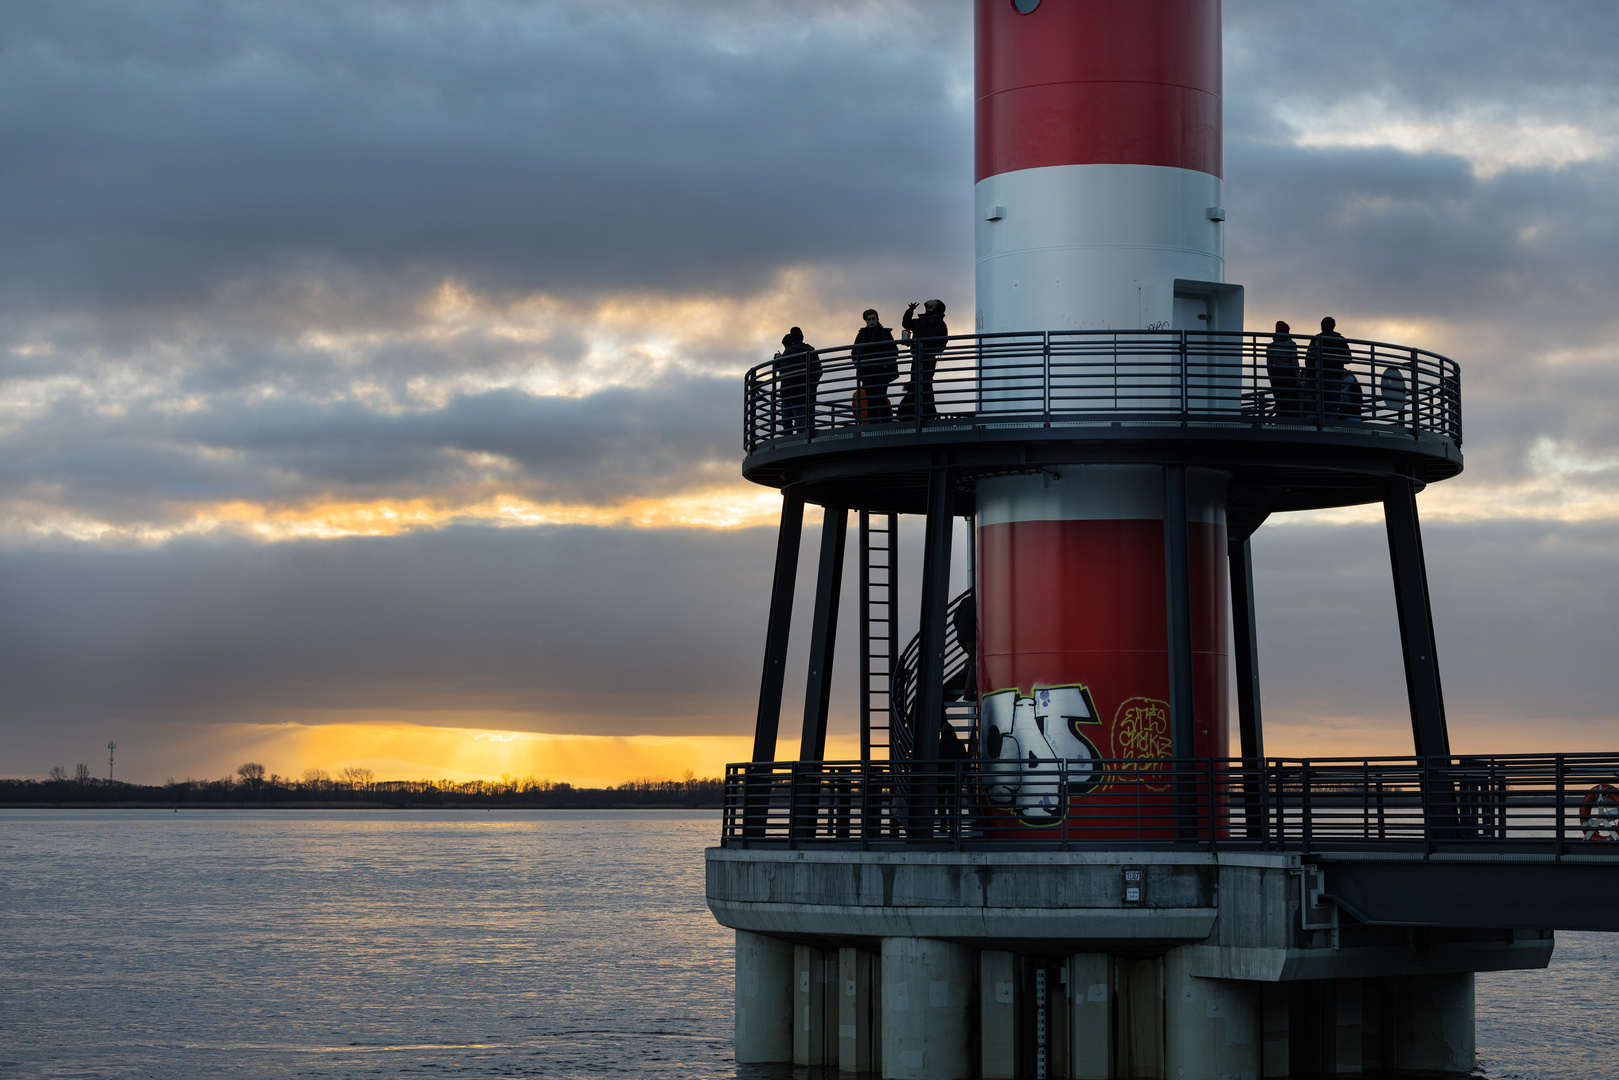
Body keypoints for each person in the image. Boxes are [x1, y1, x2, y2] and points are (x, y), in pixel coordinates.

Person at [898, 299, 948, 420]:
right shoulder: (923, 320)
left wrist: (920, 344)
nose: (930, 300)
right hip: (917, 357)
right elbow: (907, 324)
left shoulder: (938, 322)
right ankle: (922, 413)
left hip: (927, 358)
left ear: (935, 307)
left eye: (933, 301)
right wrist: (910, 311)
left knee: (923, 384)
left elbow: (938, 341)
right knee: (918, 384)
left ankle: (923, 414)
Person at [1305, 316, 1360, 418]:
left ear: (1322, 326)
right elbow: (1348, 359)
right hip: (1335, 376)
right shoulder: (1340, 340)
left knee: (1318, 404)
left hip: (1319, 377)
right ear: (1334, 326)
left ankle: (1318, 427)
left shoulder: (1316, 339)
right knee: (1333, 405)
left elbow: (1308, 360)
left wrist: (1312, 373)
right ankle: (1330, 426)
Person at [851, 309, 899, 423]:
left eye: (873, 319)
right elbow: (854, 352)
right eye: (869, 319)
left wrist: (887, 364)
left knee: (881, 396)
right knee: (871, 398)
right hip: (867, 371)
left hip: (882, 370)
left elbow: (894, 350)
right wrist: (860, 364)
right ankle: (874, 424)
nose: (872, 321)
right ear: (866, 321)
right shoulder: (861, 335)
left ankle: (886, 423)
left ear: (877, 319)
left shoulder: (885, 333)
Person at [773, 327, 819, 433]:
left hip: (790, 392)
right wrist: (812, 384)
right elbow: (818, 370)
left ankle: (791, 441)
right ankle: (808, 438)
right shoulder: (810, 349)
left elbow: (784, 371)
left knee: (788, 422)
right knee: (808, 419)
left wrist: (778, 361)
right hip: (808, 391)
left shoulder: (789, 352)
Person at [1265, 320, 1301, 417]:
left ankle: (1279, 425)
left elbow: (1269, 366)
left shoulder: (1270, 346)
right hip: (1288, 374)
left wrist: (1271, 378)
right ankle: (1291, 426)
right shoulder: (1291, 344)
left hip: (1276, 374)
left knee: (1280, 402)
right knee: (1291, 403)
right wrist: (1299, 379)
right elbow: (1295, 363)